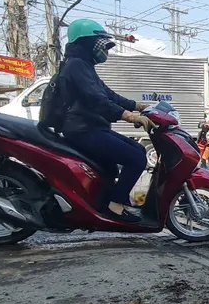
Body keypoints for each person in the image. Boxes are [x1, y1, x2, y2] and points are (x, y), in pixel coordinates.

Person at [58, 19, 150, 223]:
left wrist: (138, 106)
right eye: (100, 43)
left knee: (139, 152)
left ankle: (103, 201)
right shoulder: (76, 66)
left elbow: (108, 94)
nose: (104, 49)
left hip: (92, 128)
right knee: (136, 159)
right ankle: (115, 207)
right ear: (85, 43)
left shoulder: (84, 66)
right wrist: (128, 116)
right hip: (83, 130)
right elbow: (96, 100)